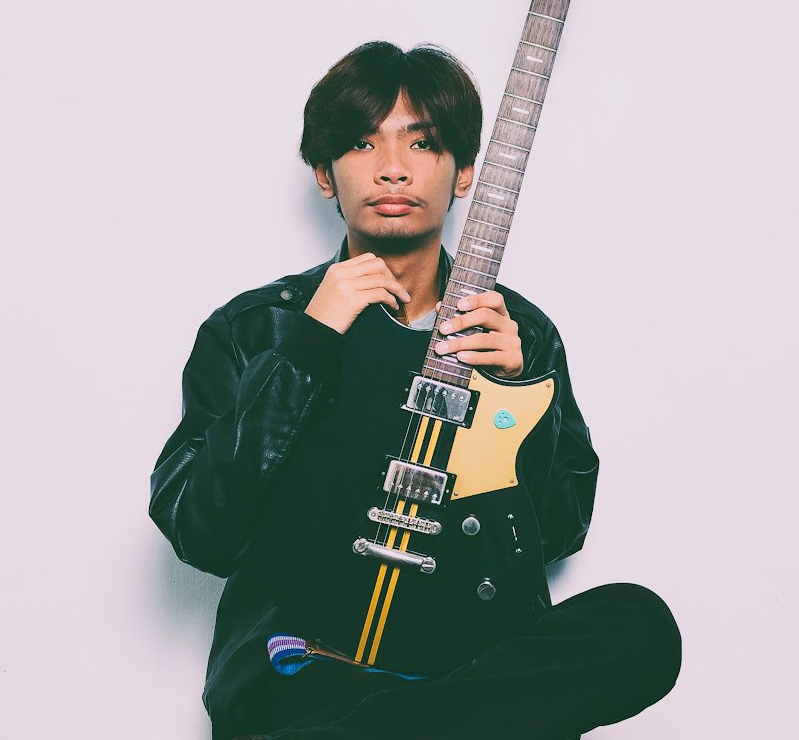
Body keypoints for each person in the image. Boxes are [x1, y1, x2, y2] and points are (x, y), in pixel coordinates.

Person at [150, 42, 681, 740]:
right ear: (324, 173)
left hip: (465, 671)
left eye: (423, 143)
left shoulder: (521, 335)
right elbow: (202, 533)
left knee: (640, 624)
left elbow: (559, 534)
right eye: (362, 143)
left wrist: (516, 393)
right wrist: (306, 348)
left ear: (465, 172)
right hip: (307, 673)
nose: (393, 168)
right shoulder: (255, 329)